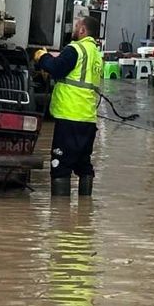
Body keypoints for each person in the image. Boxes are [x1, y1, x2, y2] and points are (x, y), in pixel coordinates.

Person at [34, 15, 104, 198]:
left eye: (76, 26)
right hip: (88, 119)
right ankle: (85, 208)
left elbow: (57, 68)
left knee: (60, 165)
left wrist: (42, 57)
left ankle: (59, 211)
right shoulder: (96, 55)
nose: (74, 29)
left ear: (82, 30)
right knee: (83, 164)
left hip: (69, 117)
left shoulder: (75, 49)